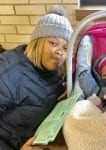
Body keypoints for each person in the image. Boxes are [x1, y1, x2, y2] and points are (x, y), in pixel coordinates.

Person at [0, 5, 73, 150]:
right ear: (38, 41)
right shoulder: (8, 72)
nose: (60, 52)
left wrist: (67, 90)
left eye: (65, 48)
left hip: (37, 139)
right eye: (53, 43)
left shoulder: (56, 70)